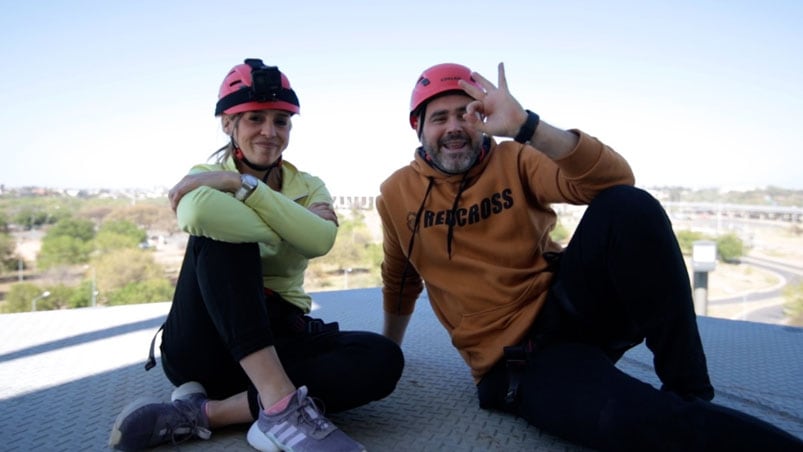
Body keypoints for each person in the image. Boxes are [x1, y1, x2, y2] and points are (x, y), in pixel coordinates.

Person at [377, 62, 803, 451]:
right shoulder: (396, 194)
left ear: (484, 121)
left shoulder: (516, 158)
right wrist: (388, 352)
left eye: (467, 114)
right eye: (440, 117)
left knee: (628, 207)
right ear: (419, 129)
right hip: (516, 361)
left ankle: (689, 389)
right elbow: (401, 279)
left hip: (570, 310)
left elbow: (616, 181)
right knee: (657, 427)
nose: (455, 126)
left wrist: (526, 126)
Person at [109, 58, 404, 452]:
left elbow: (320, 242)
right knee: (222, 237)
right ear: (228, 124)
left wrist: (239, 185)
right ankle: (283, 408)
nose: (270, 132)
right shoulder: (202, 175)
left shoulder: (307, 184)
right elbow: (199, 213)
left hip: (278, 334)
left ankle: (204, 414)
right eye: (254, 119)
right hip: (202, 346)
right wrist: (293, 226)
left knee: (382, 358)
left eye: (281, 121)